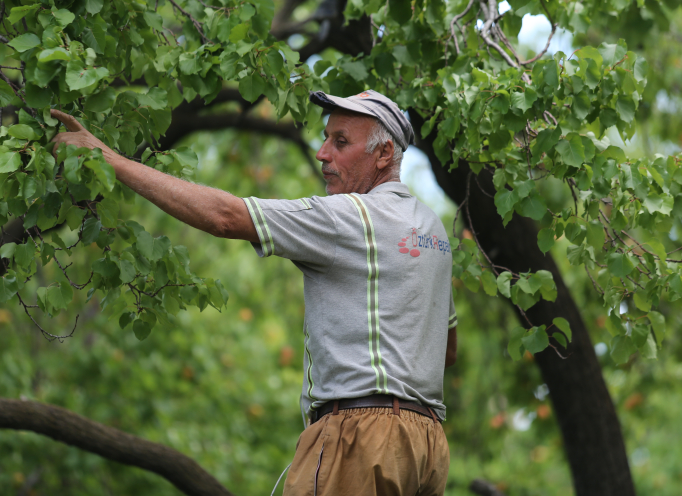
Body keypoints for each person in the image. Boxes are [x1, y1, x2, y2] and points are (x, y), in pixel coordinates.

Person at [50, 88, 457, 496]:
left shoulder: (350, 216)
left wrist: (111, 159)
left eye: (341, 142)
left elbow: (225, 217)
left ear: (384, 154)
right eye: (325, 137)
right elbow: (447, 349)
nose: (321, 153)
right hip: (427, 448)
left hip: (361, 436)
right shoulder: (432, 231)